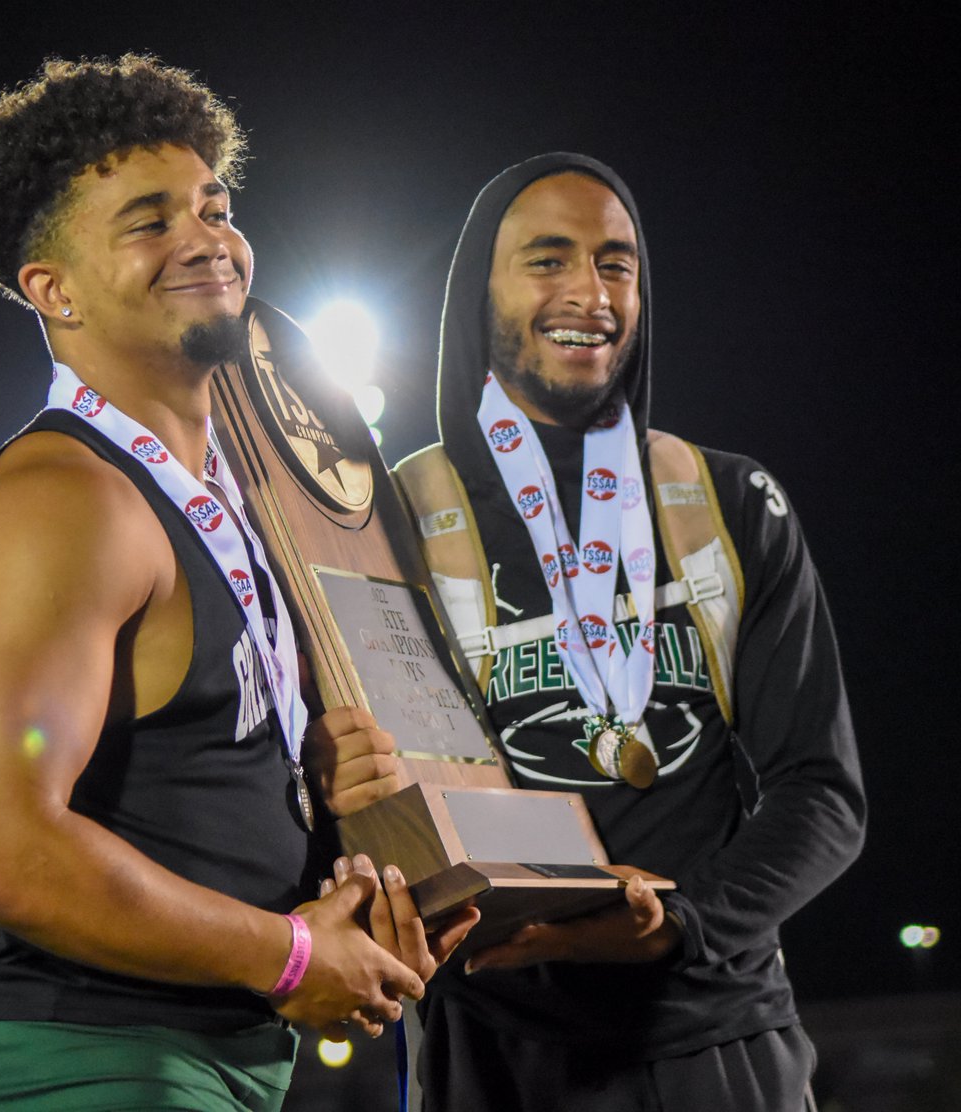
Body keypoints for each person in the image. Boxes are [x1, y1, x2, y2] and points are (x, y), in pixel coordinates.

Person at [0, 55, 473, 1111]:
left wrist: (313, 802)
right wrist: (293, 956)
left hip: (205, 1062)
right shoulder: (65, 500)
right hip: (83, 1066)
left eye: (214, 207)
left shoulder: (220, 497)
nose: (206, 238)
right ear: (54, 289)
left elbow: (170, 794)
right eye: (148, 221)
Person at [309, 153, 865, 1110]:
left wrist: (680, 925)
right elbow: (351, 788)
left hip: (710, 1033)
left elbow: (824, 796)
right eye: (547, 259)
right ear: (477, 291)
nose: (589, 292)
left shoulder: (728, 501)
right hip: (491, 1046)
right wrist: (334, 787)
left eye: (616, 263)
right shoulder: (386, 520)